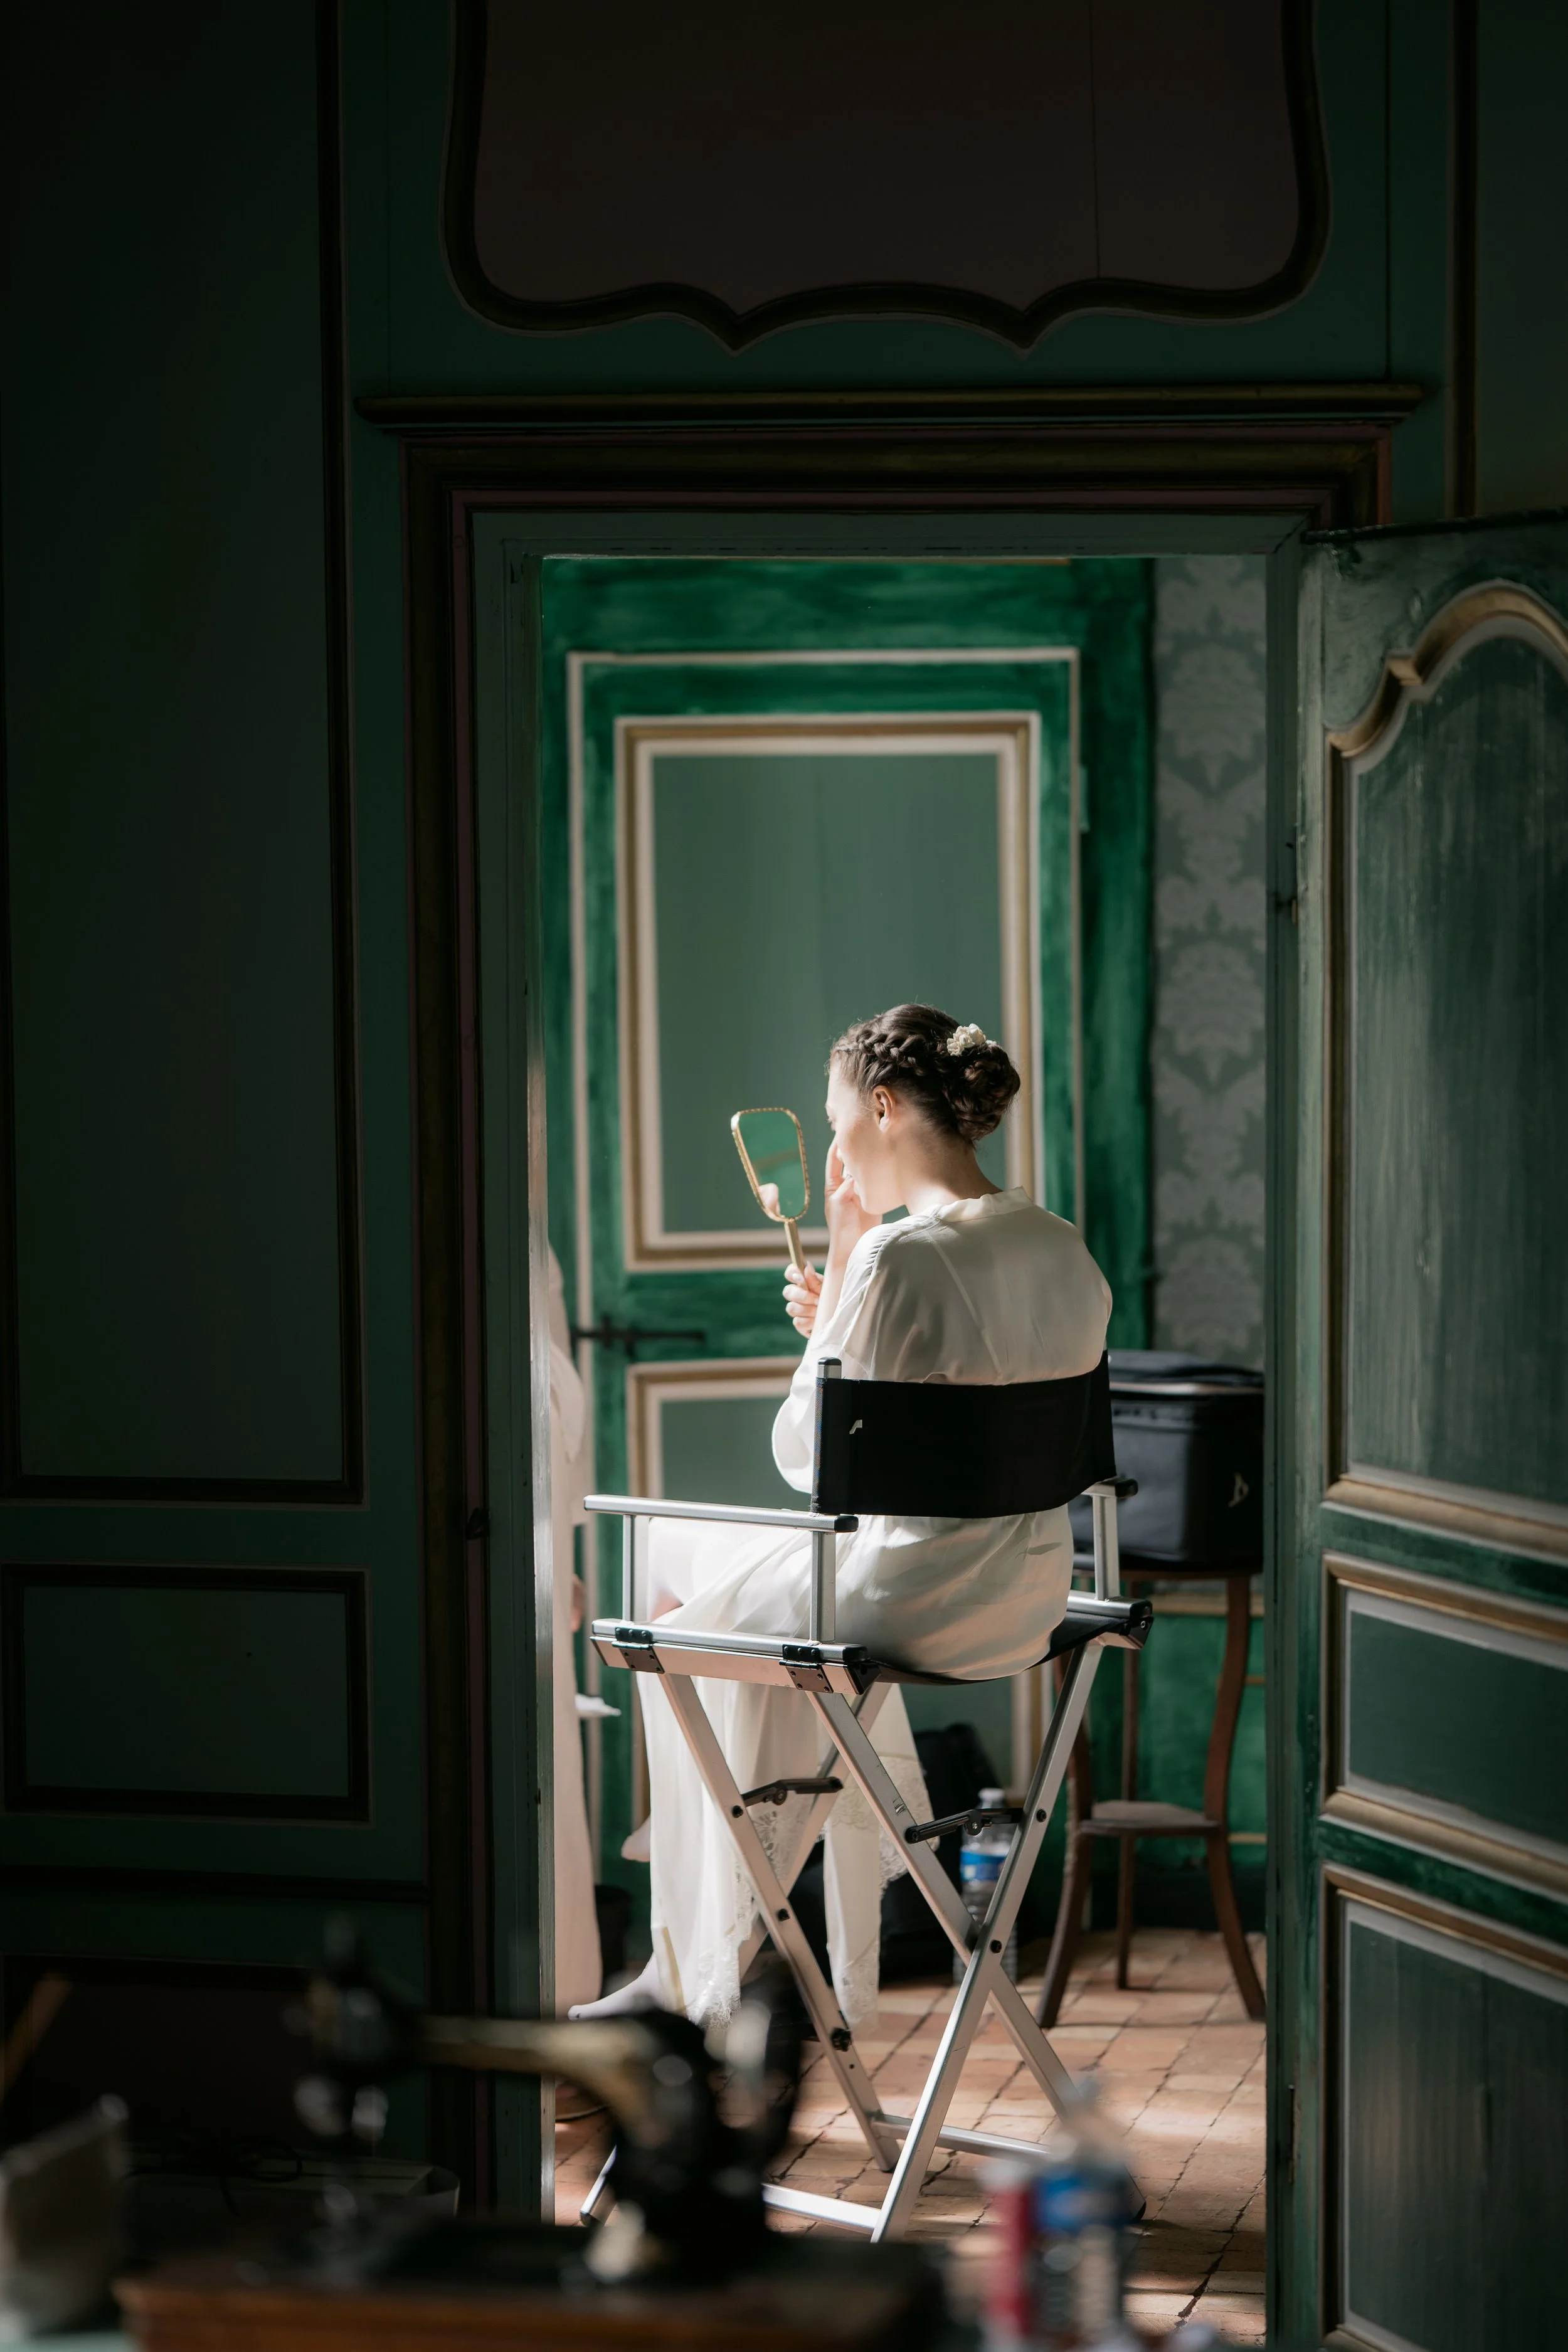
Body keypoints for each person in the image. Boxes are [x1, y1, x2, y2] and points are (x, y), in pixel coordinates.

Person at [569, 1005, 1111, 2030]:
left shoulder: (894, 1260)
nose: (832, 1149)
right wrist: (845, 1321)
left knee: (663, 1588)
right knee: (712, 1586)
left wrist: (850, 1258)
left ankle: (693, 1952)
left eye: (835, 1121)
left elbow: (805, 1463)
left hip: (903, 1596)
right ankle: (797, 1880)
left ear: (881, 1105)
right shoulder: (1062, 1247)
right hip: (1029, 1596)